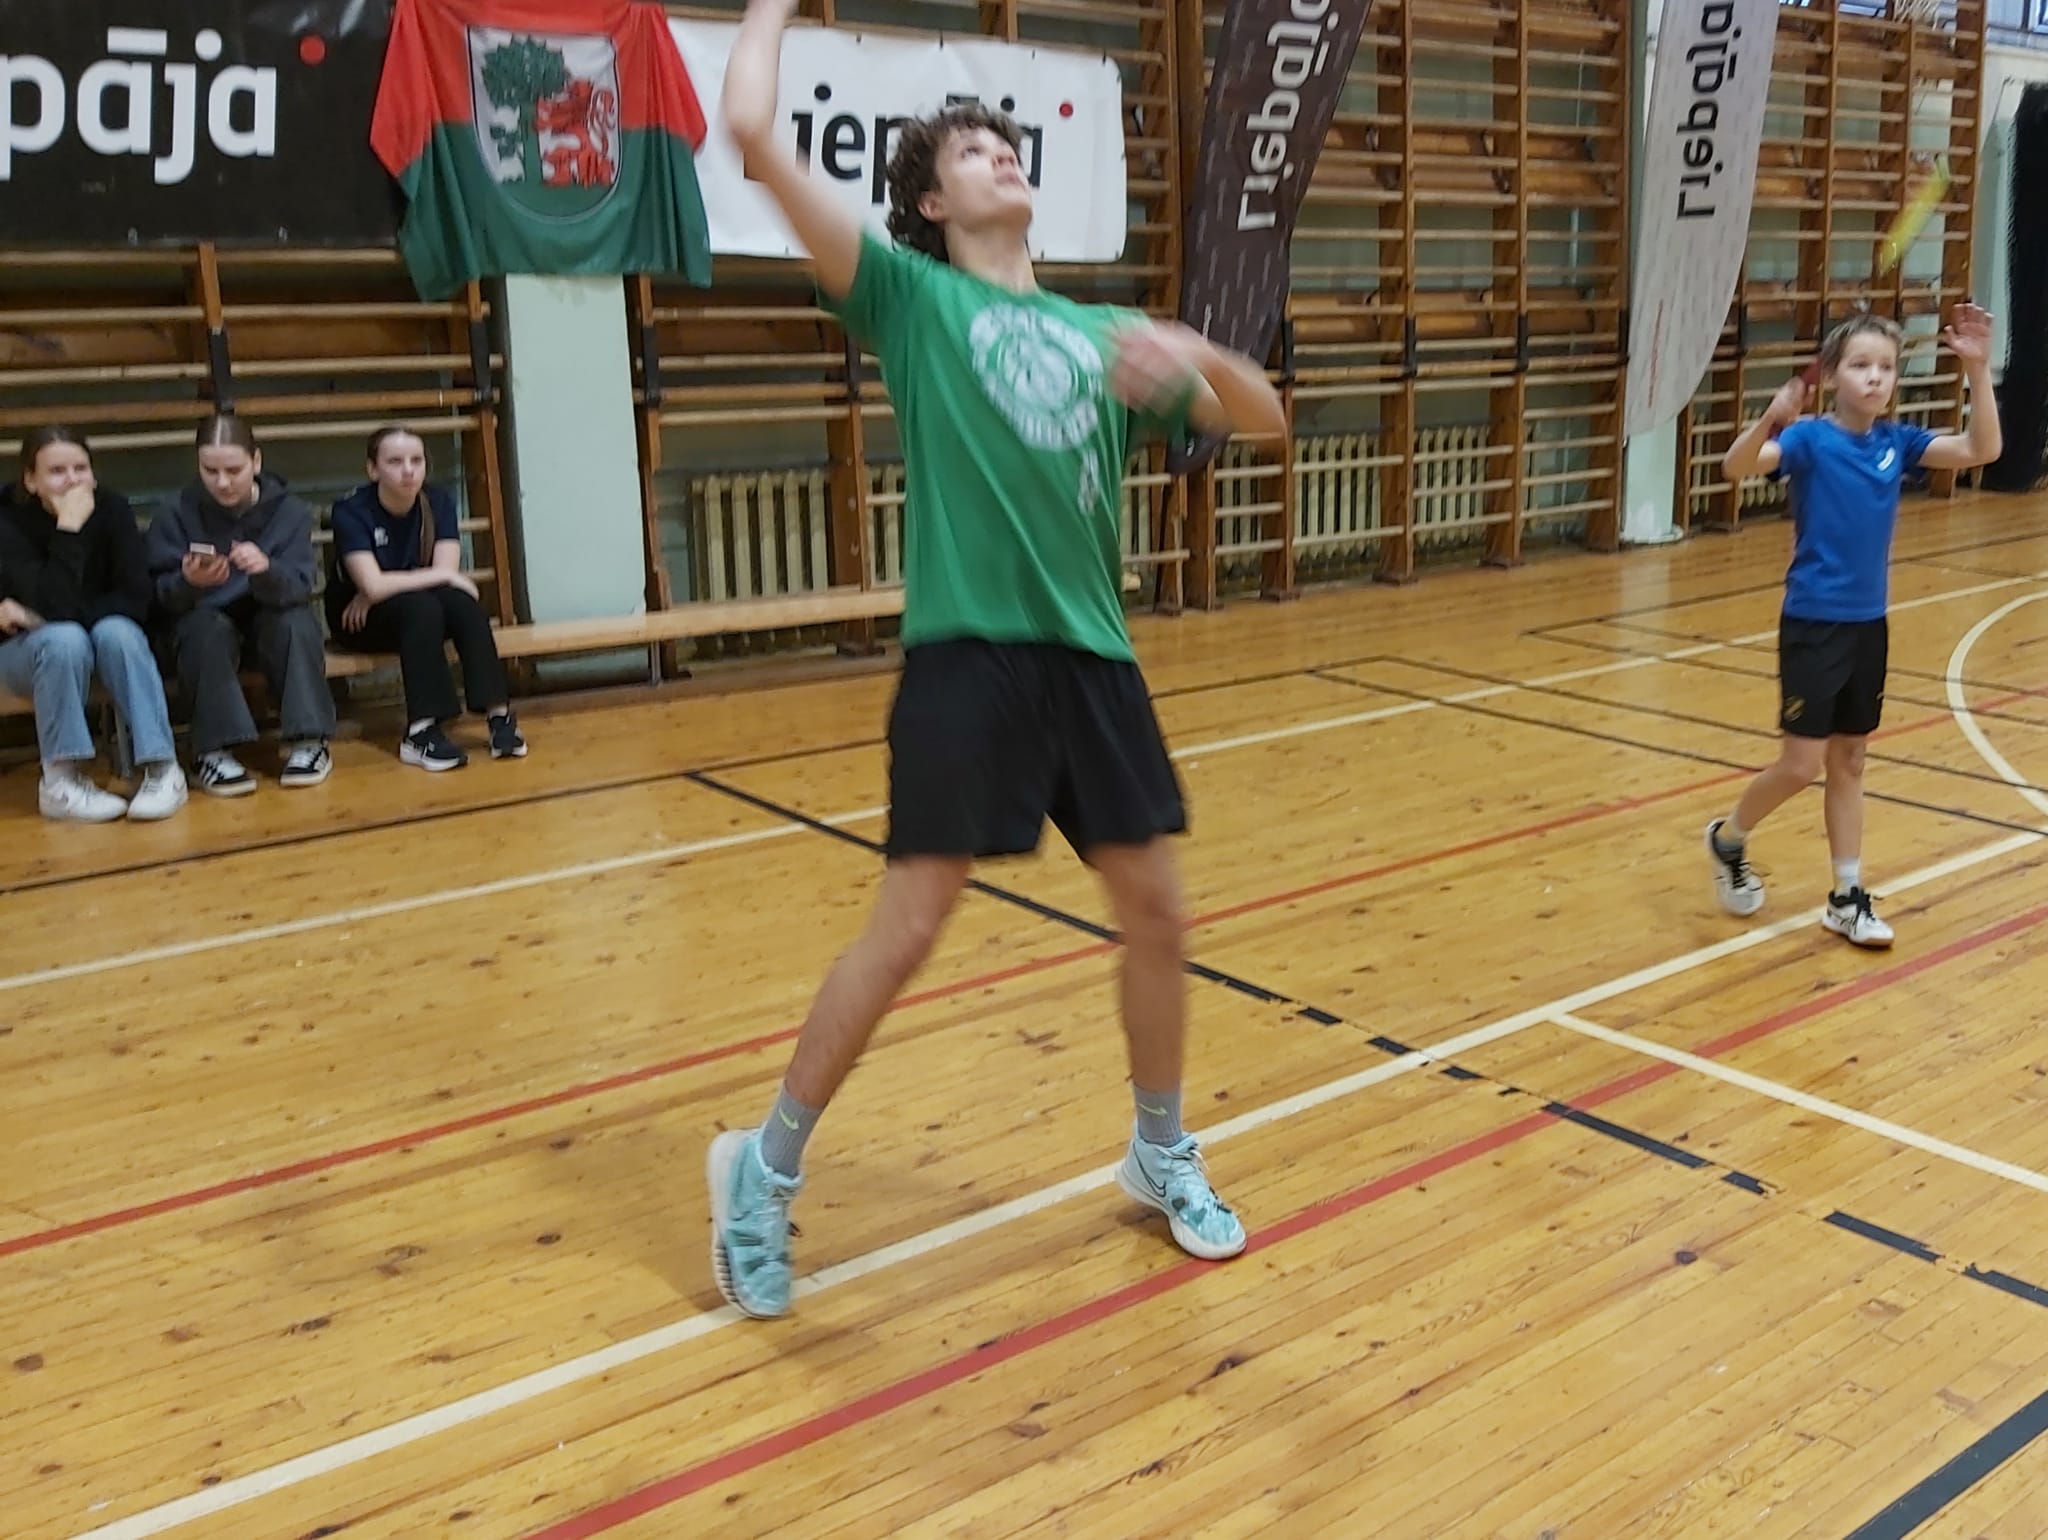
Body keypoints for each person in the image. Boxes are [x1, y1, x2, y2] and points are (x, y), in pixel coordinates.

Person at [703, 0, 1290, 1320]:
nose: (999, 155)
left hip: (1093, 658)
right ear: (930, 201)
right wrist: (771, 12)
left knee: (1158, 913)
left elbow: (1263, 418)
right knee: (912, 921)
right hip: (969, 654)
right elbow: (748, 126)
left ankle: (1158, 1147)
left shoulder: (1105, 335)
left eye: (1006, 144)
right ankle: (762, 1166)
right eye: (970, 150)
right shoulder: (910, 298)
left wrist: (1195, 349)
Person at [1707, 305, 2003, 946]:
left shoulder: (1899, 444)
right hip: (1813, 622)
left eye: (1886, 367)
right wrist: (1770, 417)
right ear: (1833, 375)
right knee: (1801, 765)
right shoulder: (1811, 441)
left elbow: (1983, 449)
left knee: (1851, 760)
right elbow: (1736, 467)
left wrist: (1978, 371)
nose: (1875, 377)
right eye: (1861, 365)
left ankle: (1846, 896)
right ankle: (1728, 838)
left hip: (1870, 625)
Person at [0, 428, 186, 822]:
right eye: (57, 471)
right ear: (30, 480)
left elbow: (136, 598)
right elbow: (52, 602)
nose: (72, 480)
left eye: (80, 468)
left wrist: (39, 619)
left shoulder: (113, 509)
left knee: (117, 631)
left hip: (92, 641)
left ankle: (163, 769)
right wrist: (68, 528)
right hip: (21, 655)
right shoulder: (7, 521)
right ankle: (60, 784)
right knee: (63, 640)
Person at [147, 414, 336, 795]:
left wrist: (267, 569)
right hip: (204, 630)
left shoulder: (289, 512)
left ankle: (309, 741)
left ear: (257, 462)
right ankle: (213, 751)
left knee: (296, 621)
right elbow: (157, 598)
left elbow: (301, 586)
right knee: (204, 630)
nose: (222, 482)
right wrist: (188, 582)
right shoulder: (175, 512)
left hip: (267, 623)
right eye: (210, 470)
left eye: (233, 470)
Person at [325, 426, 526, 770]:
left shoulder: (437, 502)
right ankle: (420, 732)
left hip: (418, 610)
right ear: (373, 469)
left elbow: (443, 574)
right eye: (395, 462)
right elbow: (375, 586)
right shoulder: (350, 511)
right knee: (423, 607)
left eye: (416, 461)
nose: (408, 470)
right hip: (358, 618)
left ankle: (499, 716)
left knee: (461, 604)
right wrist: (426, 579)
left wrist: (400, 583)